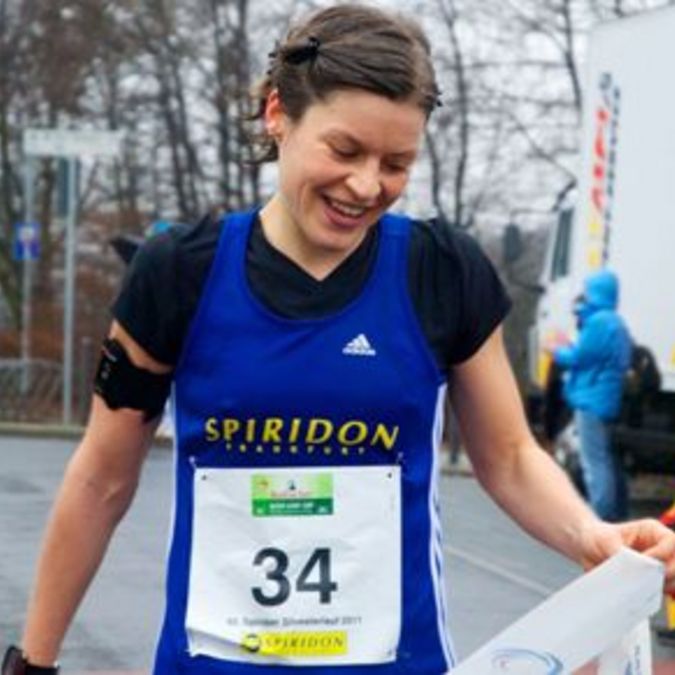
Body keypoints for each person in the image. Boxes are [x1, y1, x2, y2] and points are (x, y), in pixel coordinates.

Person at [4, 5, 675, 674]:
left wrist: (591, 535)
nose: (365, 185)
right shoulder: (180, 273)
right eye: (345, 150)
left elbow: (508, 456)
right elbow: (100, 479)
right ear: (278, 113)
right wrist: (33, 663)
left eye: (396, 163)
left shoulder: (441, 271)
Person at [553, 270, 633, 522]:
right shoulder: (615, 323)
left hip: (591, 400)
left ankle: (599, 515)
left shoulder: (599, 322)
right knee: (606, 458)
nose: (583, 296)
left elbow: (579, 357)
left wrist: (555, 350)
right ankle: (615, 511)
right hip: (605, 399)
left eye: (587, 291)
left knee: (594, 461)